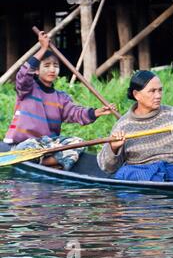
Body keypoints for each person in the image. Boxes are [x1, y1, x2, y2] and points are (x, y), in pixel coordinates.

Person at [3, 31, 116, 170]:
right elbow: (23, 74)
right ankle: (51, 163)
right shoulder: (27, 89)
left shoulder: (61, 97)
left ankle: (45, 163)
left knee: (78, 142)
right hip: (24, 144)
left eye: (55, 66)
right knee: (31, 148)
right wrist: (43, 48)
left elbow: (75, 113)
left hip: (48, 145)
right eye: (47, 65)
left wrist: (96, 112)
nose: (52, 69)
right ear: (37, 71)